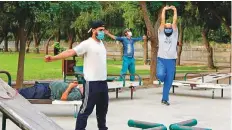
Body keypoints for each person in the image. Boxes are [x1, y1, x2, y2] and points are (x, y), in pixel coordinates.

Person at [44, 20, 109, 130]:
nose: (103, 32)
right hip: (92, 84)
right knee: (85, 110)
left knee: (102, 111)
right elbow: (70, 52)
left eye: (104, 30)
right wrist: (54, 58)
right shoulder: (87, 44)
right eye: (100, 30)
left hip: (103, 83)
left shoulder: (101, 43)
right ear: (93, 31)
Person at [156, 5, 178, 106]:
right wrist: (164, 10)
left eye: (170, 27)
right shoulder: (161, 34)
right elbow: (162, 22)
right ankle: (163, 79)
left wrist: (174, 10)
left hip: (171, 61)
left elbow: (174, 22)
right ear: (164, 28)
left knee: (169, 81)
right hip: (161, 59)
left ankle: (165, 99)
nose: (169, 27)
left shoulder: (174, 34)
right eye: (167, 27)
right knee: (160, 75)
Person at [18, 81, 83, 101]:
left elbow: (63, 98)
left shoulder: (78, 94)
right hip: (46, 86)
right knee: (21, 92)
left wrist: (70, 86)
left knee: (19, 93)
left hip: (47, 92)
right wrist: (72, 84)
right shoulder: (77, 89)